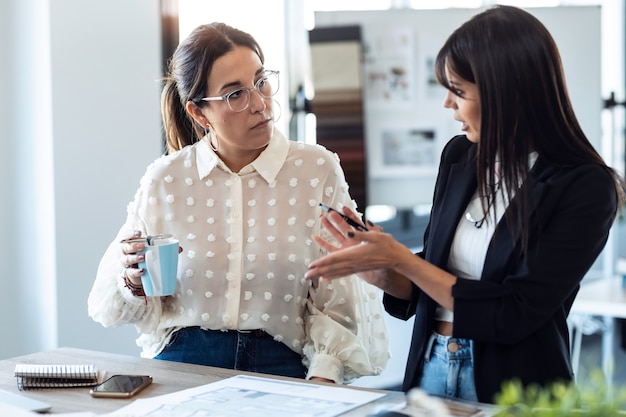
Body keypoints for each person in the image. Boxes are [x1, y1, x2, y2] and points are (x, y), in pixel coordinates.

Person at [306, 5, 625, 403]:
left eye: (458, 91)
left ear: (506, 93)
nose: (447, 105)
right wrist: (385, 269)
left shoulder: (585, 186)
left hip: (516, 386)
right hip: (430, 367)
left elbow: (514, 311)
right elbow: (436, 277)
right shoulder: (460, 155)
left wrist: (404, 260)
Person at [88, 22, 389, 384]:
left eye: (261, 82)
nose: (261, 104)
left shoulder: (316, 170)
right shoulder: (166, 179)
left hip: (281, 367)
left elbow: (337, 301)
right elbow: (138, 304)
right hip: (182, 364)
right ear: (199, 113)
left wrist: (323, 383)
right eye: (235, 95)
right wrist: (134, 281)